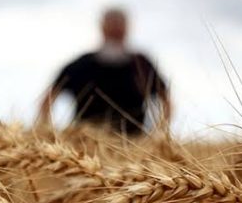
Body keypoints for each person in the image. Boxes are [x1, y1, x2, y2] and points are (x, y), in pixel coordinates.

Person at [38, 8, 171, 135]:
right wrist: (49, 133)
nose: (115, 30)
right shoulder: (81, 65)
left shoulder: (141, 65)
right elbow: (48, 99)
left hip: (133, 146)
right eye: (111, 26)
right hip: (84, 148)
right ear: (102, 27)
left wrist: (158, 134)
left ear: (127, 28)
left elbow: (166, 100)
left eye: (119, 26)